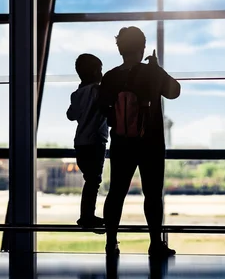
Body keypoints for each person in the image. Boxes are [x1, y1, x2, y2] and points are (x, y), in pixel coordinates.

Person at [99, 26, 181, 258]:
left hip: (122, 142)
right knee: (152, 194)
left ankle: (111, 242)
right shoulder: (151, 72)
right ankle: (155, 243)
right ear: (142, 47)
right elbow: (174, 91)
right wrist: (156, 69)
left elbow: (103, 107)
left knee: (116, 192)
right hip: (151, 141)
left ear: (119, 49)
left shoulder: (111, 76)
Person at [67, 53, 108, 230]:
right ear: (93, 71)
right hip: (96, 141)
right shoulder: (98, 91)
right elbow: (107, 109)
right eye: (99, 69)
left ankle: (87, 215)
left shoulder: (77, 94)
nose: (101, 72)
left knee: (90, 180)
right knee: (94, 180)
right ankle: (87, 216)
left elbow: (71, 115)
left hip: (80, 142)